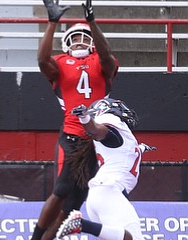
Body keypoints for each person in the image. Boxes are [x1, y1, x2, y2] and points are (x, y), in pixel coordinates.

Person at [31, 0, 119, 240]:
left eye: (84, 37)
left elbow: (107, 58)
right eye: (74, 38)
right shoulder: (59, 63)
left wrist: (92, 22)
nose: (79, 41)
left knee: (72, 207)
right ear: (66, 43)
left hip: (97, 141)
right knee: (61, 189)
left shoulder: (101, 61)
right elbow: (41, 60)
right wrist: (52, 22)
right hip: (72, 137)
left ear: (91, 41)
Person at [56, 98, 156, 240]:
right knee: (133, 237)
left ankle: (82, 224)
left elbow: (124, 151)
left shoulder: (122, 137)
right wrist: (85, 118)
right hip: (109, 192)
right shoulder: (111, 126)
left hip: (102, 195)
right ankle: (82, 225)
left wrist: (142, 148)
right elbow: (96, 131)